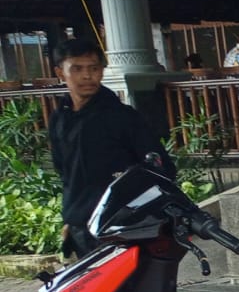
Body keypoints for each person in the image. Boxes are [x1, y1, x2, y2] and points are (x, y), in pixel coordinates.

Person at [47, 39, 174, 259]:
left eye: (94, 68)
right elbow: (65, 172)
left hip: (119, 227)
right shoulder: (60, 118)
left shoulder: (122, 117)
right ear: (60, 72)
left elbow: (161, 169)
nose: (87, 76)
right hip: (80, 226)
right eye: (77, 69)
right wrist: (70, 218)